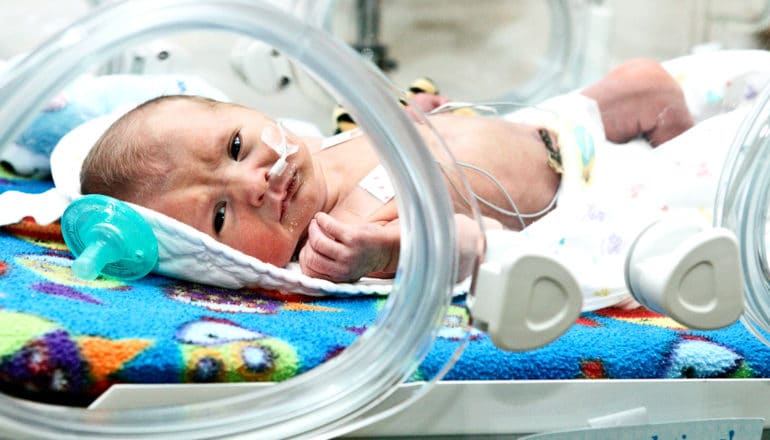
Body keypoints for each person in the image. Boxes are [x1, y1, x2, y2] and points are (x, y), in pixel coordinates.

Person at [80, 59, 696, 285]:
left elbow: (415, 132)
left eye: (237, 145)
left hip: (557, 126)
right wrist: (382, 253)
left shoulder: (330, 143)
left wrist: (416, 112)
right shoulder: (346, 231)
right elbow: (468, 245)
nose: (255, 184)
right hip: (587, 193)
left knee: (641, 80)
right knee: (690, 186)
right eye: (220, 216)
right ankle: (703, 172)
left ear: (247, 110)